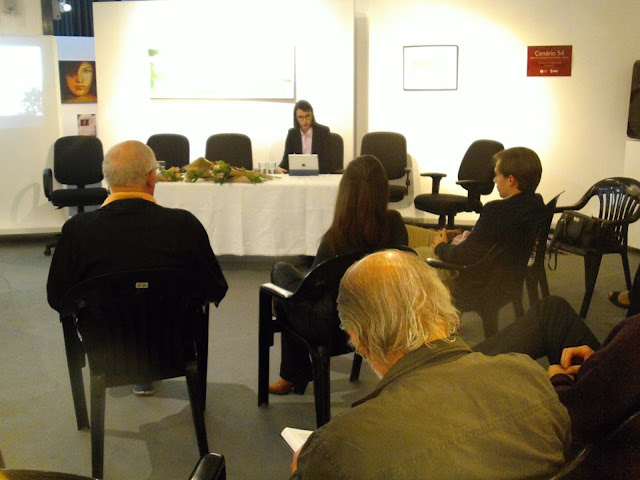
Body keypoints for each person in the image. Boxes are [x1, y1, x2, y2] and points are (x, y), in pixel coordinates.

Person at [290, 250, 571, 479]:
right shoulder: (530, 376)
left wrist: (300, 470)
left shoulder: (336, 450)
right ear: (444, 306)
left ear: (358, 339)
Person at [47, 140, 228, 395]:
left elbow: (58, 297)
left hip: (107, 345)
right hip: (174, 342)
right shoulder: (184, 225)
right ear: (151, 178)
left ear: (107, 179)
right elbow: (215, 288)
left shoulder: (77, 230)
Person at [269, 155, 408, 395]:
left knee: (283, 278)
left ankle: (292, 375)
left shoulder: (337, 236)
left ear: (345, 193)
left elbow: (310, 291)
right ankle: (292, 375)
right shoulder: (394, 224)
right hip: (379, 319)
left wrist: (280, 302)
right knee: (290, 294)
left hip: (335, 328)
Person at [474, 295, 640, 445]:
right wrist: (599, 361)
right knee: (553, 311)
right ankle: (467, 367)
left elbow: (576, 416)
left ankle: (464, 373)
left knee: (551, 314)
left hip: (592, 438)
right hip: (617, 381)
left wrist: (559, 381)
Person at [278, 100, 330, 174]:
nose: (305, 120)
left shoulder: (323, 132)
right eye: (300, 117)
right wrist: (279, 168)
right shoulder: (292, 134)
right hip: (299, 175)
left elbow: (327, 161)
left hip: (320, 174)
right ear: (296, 118)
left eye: (307, 116)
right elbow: (286, 159)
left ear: (312, 115)